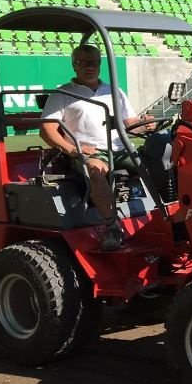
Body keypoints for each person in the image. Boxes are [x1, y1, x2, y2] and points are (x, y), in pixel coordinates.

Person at [39, 44, 151, 249]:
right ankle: (113, 226)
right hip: (89, 152)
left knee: (159, 162)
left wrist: (146, 124)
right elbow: (47, 131)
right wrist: (74, 149)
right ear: (74, 65)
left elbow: (130, 123)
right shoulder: (63, 94)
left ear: (100, 65)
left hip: (120, 148)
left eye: (93, 63)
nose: (89, 67)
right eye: (83, 63)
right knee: (96, 171)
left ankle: (165, 216)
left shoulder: (113, 90)